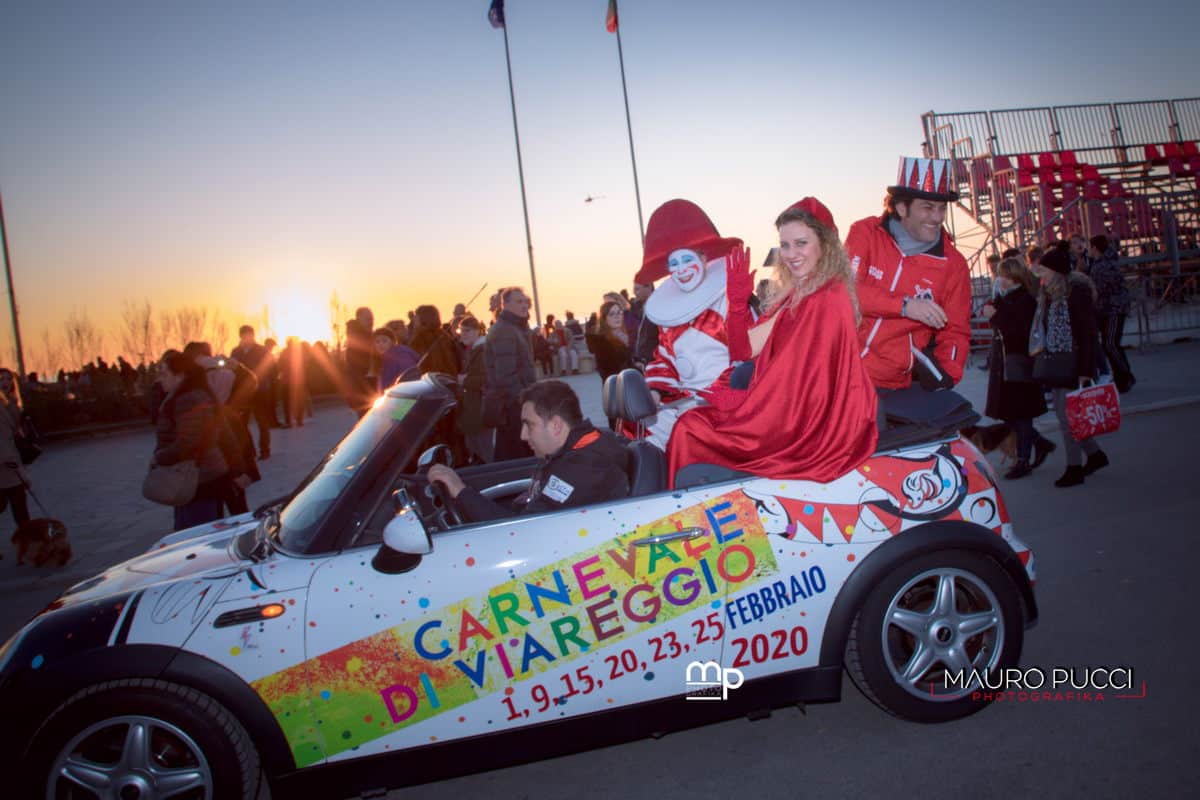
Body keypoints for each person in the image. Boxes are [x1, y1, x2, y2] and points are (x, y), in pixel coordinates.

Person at [666, 198, 878, 485]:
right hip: (784, 408)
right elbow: (745, 349)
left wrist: (746, 404)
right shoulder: (798, 293)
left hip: (804, 425)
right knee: (692, 424)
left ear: (825, 245)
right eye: (785, 245)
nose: (791, 254)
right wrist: (737, 306)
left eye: (801, 243)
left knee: (691, 429)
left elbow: (805, 383)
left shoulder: (828, 297)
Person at [847, 157, 972, 426]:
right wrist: (905, 305)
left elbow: (957, 330)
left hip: (891, 385)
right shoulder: (865, 232)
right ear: (901, 207)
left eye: (941, 209)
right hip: (840, 371)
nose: (937, 218)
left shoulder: (954, 264)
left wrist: (947, 372)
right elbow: (847, 292)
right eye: (927, 208)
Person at [428, 380, 628, 522]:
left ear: (556, 425)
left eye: (529, 425)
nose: (523, 436)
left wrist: (460, 492)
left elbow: (522, 531)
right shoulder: (572, 453)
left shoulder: (586, 466)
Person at [635, 198, 744, 450]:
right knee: (640, 427)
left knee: (690, 429)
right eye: (674, 264)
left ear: (704, 257)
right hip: (686, 401)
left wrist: (715, 394)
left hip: (731, 402)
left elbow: (748, 357)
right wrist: (655, 392)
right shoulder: (668, 315)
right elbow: (664, 362)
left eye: (686, 259)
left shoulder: (731, 299)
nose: (681, 269)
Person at [1031, 243, 1109, 487]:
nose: (1040, 276)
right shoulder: (1050, 295)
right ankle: (1095, 455)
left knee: (1067, 419)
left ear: (1055, 271)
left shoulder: (1076, 294)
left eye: (1044, 271)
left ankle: (1074, 467)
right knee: (1068, 416)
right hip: (1058, 363)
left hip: (1073, 364)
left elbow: (1087, 335)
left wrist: (1086, 371)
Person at [980, 258, 1056, 479]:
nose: (997, 278)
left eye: (1001, 275)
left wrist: (995, 316)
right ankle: (1039, 443)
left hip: (1018, 363)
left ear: (1011, 277)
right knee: (1009, 412)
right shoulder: (1007, 298)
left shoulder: (1024, 299)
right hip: (1006, 363)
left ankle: (1023, 460)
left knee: (1020, 413)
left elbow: (1018, 333)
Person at [153, 350, 235, 530]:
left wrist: (161, 457)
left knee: (199, 534)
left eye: (164, 374)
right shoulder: (186, 396)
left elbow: (190, 442)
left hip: (199, 478)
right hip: (195, 476)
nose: (160, 379)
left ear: (180, 376)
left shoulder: (190, 399)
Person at [487, 287, 538, 460]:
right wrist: (524, 403)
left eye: (525, 302)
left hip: (516, 404)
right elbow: (506, 376)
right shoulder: (504, 331)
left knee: (514, 452)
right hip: (513, 406)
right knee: (515, 454)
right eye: (519, 302)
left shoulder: (515, 328)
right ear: (505, 304)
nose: (525, 306)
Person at [1089, 235, 1136, 393]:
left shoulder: (1102, 265)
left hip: (1112, 309)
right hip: (1111, 308)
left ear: (1094, 248)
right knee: (1111, 344)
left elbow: (1099, 289)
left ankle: (1125, 375)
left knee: (1110, 344)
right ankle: (1123, 375)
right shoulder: (1107, 262)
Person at [230, 325, 273, 459]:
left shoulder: (261, 350)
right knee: (242, 423)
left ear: (253, 335)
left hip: (260, 390)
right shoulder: (236, 352)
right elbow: (231, 369)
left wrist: (261, 380)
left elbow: (269, 368)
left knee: (262, 421)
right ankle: (249, 451)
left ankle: (265, 449)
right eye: (244, 335)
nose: (246, 337)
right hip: (242, 392)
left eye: (249, 334)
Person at [456, 316, 493, 463]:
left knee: (484, 452)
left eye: (468, 331)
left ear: (478, 331)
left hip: (481, 409)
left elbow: (486, 379)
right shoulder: (473, 350)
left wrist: (464, 380)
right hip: (474, 409)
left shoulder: (482, 350)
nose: (463, 334)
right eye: (461, 331)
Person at [0, 368, 32, 529]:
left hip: (11, 461)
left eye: (8, 379)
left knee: (20, 509)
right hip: (5, 463)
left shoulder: (10, 403)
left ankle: (29, 545)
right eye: (1, 379)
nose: (5, 382)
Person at [587, 299, 634, 384]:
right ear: (604, 319)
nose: (617, 317)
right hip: (616, 387)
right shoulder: (601, 342)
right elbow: (607, 371)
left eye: (619, 313)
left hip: (631, 383)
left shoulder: (627, 336)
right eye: (611, 314)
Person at [410, 305, 460, 376]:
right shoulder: (444, 335)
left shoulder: (419, 337)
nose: (414, 319)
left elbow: (415, 360)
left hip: (428, 380)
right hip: (448, 379)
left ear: (423, 318)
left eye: (416, 317)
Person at [345, 306, 375, 417]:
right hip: (365, 393)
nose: (371, 322)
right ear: (359, 319)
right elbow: (358, 371)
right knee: (372, 422)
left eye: (372, 319)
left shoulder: (370, 337)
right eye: (368, 319)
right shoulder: (358, 341)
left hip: (369, 391)